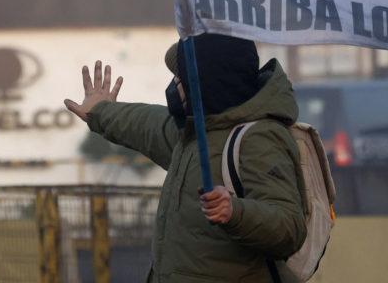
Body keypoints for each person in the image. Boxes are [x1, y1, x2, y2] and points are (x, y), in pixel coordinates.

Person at [64, 34, 307, 283]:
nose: (174, 84)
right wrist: (100, 111)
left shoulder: (259, 137)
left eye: (181, 78)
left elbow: (289, 228)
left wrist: (235, 212)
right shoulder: (194, 136)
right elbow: (145, 124)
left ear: (203, 82)